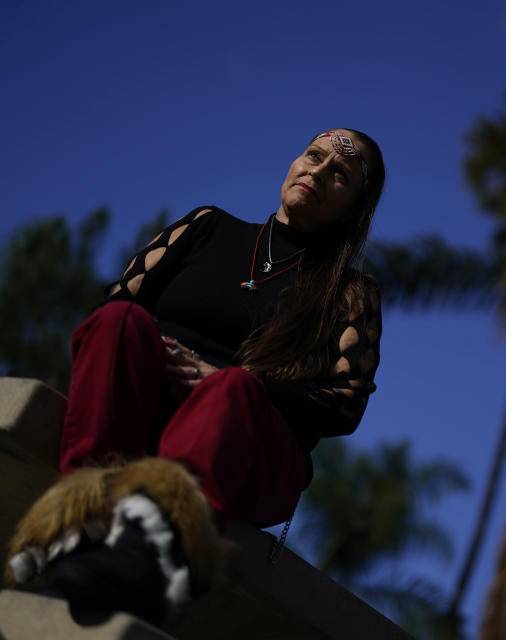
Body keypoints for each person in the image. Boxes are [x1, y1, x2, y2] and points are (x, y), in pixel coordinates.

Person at [4, 129, 385, 624]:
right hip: (149, 410)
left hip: (247, 448)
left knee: (232, 387)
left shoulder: (351, 293)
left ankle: (155, 543)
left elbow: (345, 403)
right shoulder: (207, 226)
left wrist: (223, 379)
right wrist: (159, 356)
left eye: (340, 175)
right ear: (294, 161)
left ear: (353, 208)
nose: (318, 171)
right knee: (120, 322)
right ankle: (84, 514)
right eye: (314, 155)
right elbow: (115, 305)